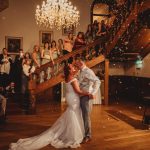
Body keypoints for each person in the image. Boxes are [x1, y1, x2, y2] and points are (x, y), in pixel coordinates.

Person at [9, 64, 92, 149]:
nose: (74, 68)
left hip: (70, 98)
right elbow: (78, 91)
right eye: (72, 67)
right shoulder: (73, 79)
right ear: (70, 71)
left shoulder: (67, 78)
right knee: (74, 113)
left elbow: (69, 75)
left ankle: (69, 131)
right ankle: (73, 135)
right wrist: (88, 93)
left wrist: (75, 71)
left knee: (72, 113)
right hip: (74, 99)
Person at [74, 59, 100, 143]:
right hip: (81, 95)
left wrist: (93, 92)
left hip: (86, 96)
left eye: (76, 65)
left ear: (81, 64)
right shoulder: (81, 71)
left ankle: (88, 135)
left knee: (86, 116)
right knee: (82, 115)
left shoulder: (88, 71)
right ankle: (83, 132)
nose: (76, 67)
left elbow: (97, 81)